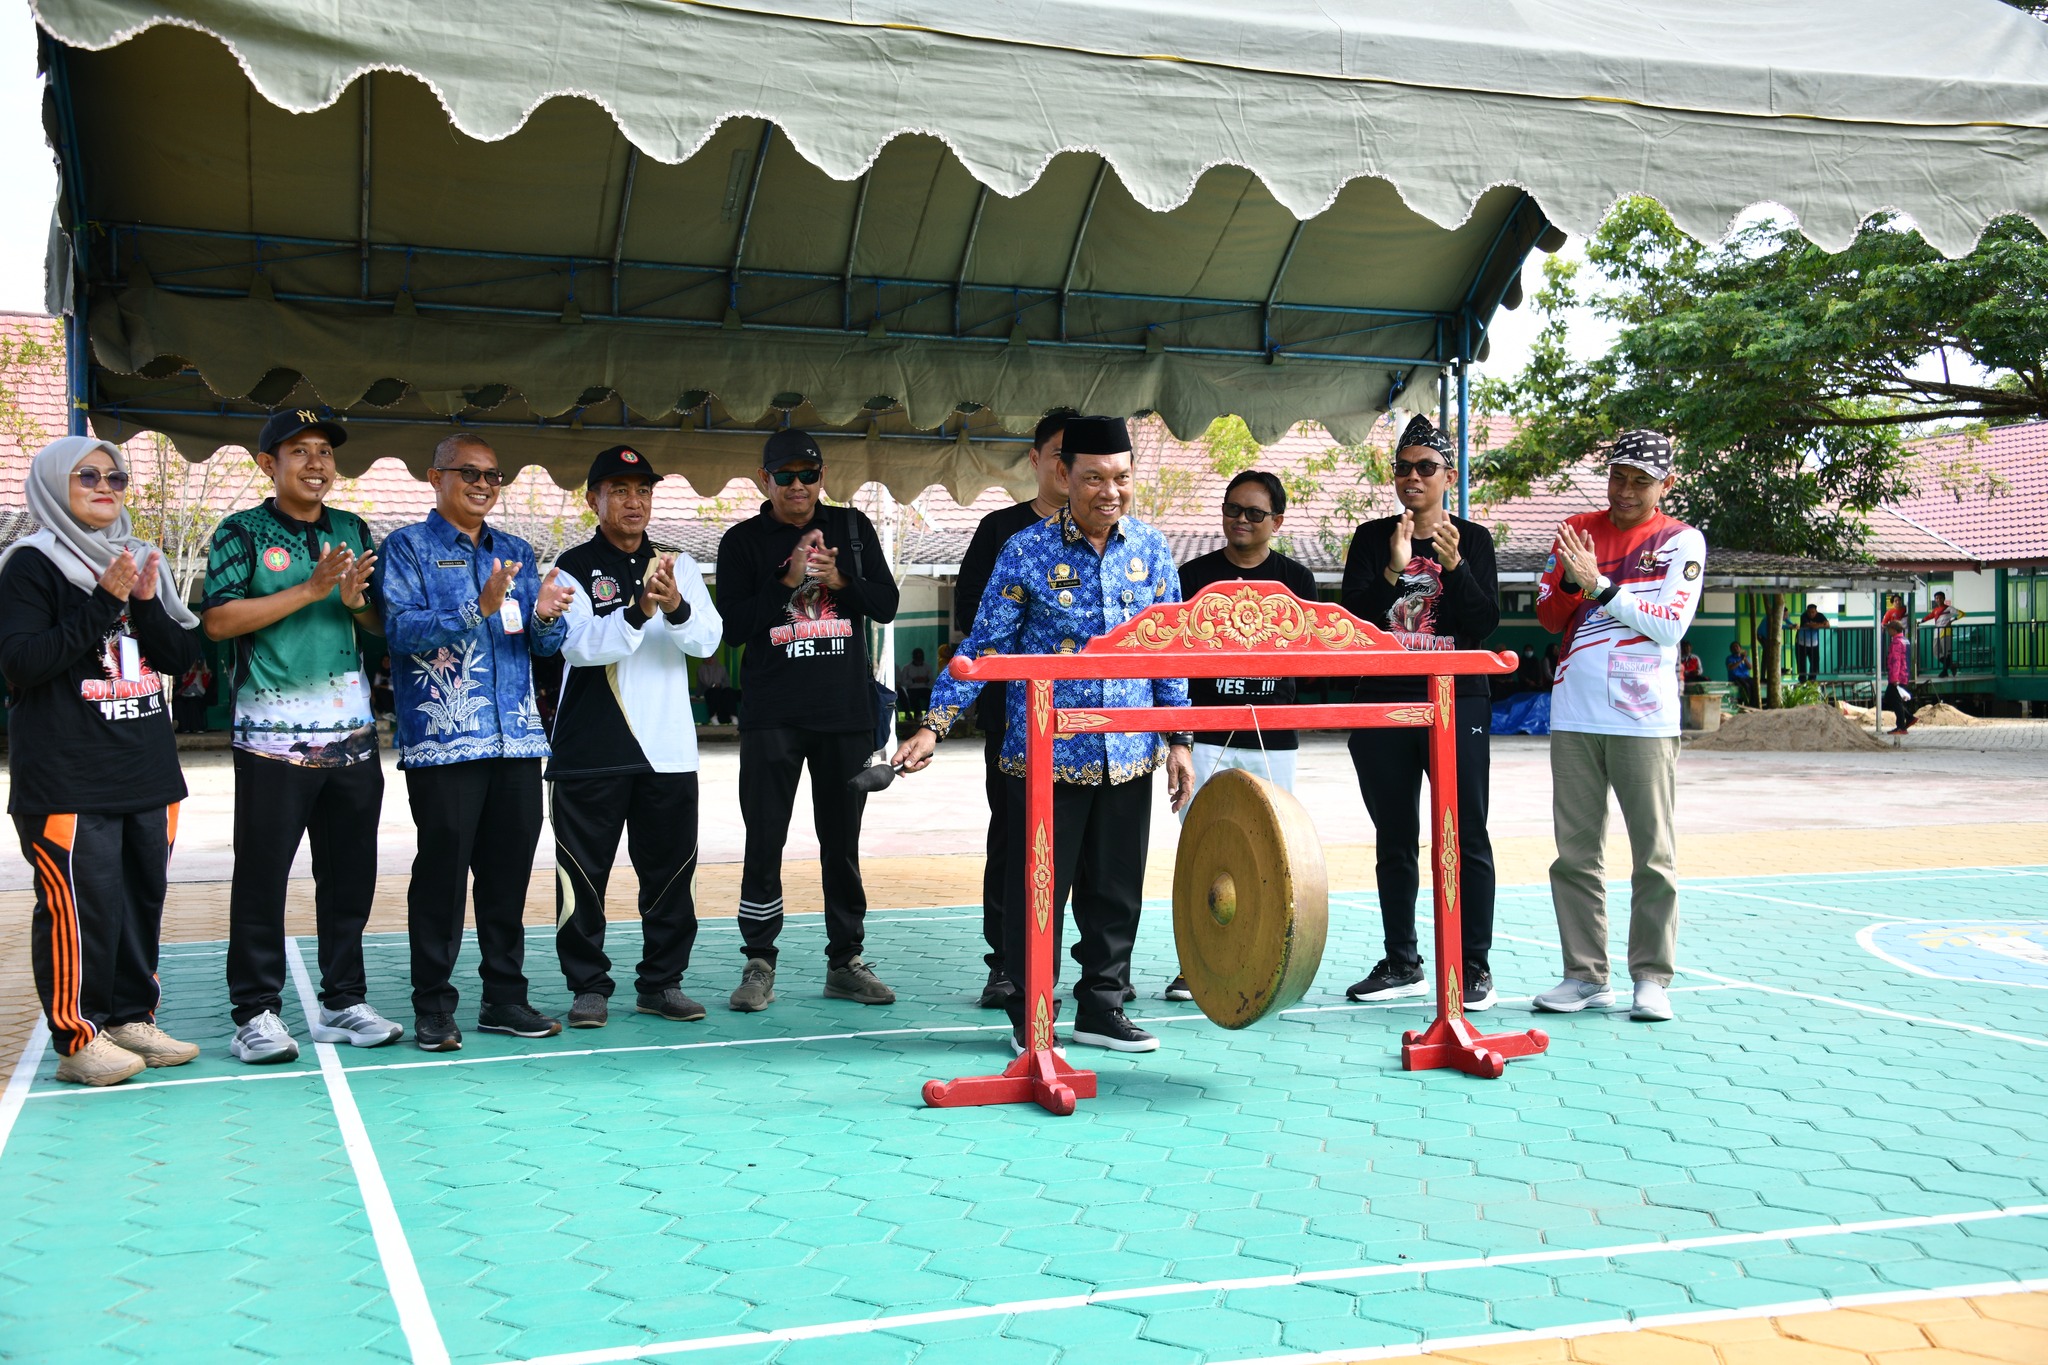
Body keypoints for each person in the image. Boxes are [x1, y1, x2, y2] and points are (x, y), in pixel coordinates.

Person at [894, 415, 1195, 1055]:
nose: (1109, 491)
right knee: (1038, 893)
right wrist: (933, 724)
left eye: (1121, 477)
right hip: (1046, 754)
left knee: (1116, 891)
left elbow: (1167, 654)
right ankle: (1030, 1014)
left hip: (1130, 749)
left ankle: (1101, 1008)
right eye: (1093, 478)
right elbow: (985, 648)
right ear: (1064, 474)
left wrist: (1179, 739)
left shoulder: (1152, 549)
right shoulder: (1026, 550)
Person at [200, 408, 402, 1065]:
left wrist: (351, 602)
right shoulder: (242, 532)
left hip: (350, 736)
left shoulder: (352, 529)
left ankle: (343, 1000)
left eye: (324, 451)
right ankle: (255, 1013)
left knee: (349, 876)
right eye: (299, 451)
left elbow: (376, 624)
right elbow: (220, 619)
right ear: (268, 464)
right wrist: (310, 588)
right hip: (271, 738)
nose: (317, 463)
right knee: (262, 876)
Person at [0, 437, 202, 1086]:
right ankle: (78, 1036)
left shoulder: (138, 557)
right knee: (76, 910)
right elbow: (22, 664)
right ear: (55, 484)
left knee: (138, 903)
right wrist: (104, 601)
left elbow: (175, 659)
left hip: (144, 769)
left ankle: (129, 1017)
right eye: (86, 475)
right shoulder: (28, 565)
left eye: (115, 474)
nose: (105, 484)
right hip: (66, 776)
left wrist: (142, 600)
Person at [377, 433, 575, 1051]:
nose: (484, 483)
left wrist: (544, 614)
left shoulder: (516, 550)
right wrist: (477, 606)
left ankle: (505, 998)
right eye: (469, 472)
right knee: (440, 877)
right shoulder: (406, 549)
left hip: (516, 740)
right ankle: (434, 1005)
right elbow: (400, 631)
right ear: (435, 478)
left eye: (493, 474)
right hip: (444, 741)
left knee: (507, 878)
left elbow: (542, 648)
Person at [715, 428, 901, 1012]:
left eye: (809, 475)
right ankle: (758, 962)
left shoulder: (852, 529)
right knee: (764, 836)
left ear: (822, 477)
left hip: (844, 716)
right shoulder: (743, 541)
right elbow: (732, 627)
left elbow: (887, 604)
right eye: (785, 476)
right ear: (764, 479)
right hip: (773, 716)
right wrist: (788, 581)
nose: (798, 486)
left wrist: (841, 580)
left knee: (841, 843)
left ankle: (845, 960)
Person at [547, 445, 725, 1028]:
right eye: (619, 490)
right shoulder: (569, 566)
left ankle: (662, 983)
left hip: (669, 749)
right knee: (582, 874)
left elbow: (706, 642)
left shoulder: (680, 565)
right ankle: (587, 988)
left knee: (671, 874)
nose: (633, 501)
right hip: (590, 747)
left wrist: (673, 607)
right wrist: (636, 612)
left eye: (643, 490)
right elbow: (575, 647)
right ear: (593, 498)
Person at [1535, 430, 1704, 1023]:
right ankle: (1584, 976)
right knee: (1575, 856)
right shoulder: (1578, 528)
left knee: (1653, 855)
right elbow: (1549, 617)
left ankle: (1652, 978)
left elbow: (1669, 625)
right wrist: (1568, 576)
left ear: (1666, 485)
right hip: (1575, 715)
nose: (1625, 490)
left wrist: (1600, 584)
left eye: (1640, 479)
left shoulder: (1682, 541)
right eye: (1617, 476)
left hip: (1645, 721)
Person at [1339, 416, 1503, 1009]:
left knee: (1466, 833)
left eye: (1425, 467)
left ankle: (1473, 965)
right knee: (1395, 836)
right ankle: (1402, 961)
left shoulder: (1474, 540)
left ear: (1447, 476)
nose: (1413, 477)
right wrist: (1392, 566)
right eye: (1403, 467)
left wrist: (1455, 568)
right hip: (1384, 701)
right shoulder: (1371, 537)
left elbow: (1483, 628)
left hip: (1459, 702)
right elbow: (1354, 622)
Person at [1162, 469, 1318, 1000]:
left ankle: (1266, 955)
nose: (1242, 521)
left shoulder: (1296, 581)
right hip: (1206, 733)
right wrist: (1176, 736)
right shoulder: (1194, 575)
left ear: (1277, 521)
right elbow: (1174, 658)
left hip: (1274, 736)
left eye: (1254, 513)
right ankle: (1197, 962)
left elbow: (1307, 653)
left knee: (1273, 850)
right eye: (1233, 509)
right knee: (1206, 847)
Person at [950, 410, 1072, 1009]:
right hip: (1017, 723)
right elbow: (975, 626)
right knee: (1016, 844)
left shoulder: (1126, 542)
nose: (1072, 466)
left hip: (1097, 730)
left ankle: (1095, 970)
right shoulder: (1001, 531)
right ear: (1038, 459)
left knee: (1089, 851)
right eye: (1059, 453)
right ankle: (1007, 966)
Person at [1884, 619, 1920, 734]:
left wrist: (1894, 678)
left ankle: (1901, 727)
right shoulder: (1905, 640)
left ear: (1894, 630)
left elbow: (1896, 661)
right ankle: (1909, 718)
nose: (1888, 631)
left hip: (1897, 677)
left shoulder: (1896, 642)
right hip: (1904, 674)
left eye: (1889, 629)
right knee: (1892, 698)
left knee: (1894, 700)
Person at [1921, 591, 1964, 677]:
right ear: (1935, 600)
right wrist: (1920, 622)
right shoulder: (1935, 610)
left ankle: (1945, 671)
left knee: (1946, 653)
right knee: (1936, 652)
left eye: (1940, 598)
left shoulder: (1949, 608)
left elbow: (1962, 614)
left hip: (1946, 633)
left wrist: (1952, 621)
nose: (1938, 600)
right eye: (1936, 598)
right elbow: (1929, 616)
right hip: (1936, 633)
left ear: (1944, 599)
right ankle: (1952, 665)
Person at [173, 657, 213, 733]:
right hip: (186, 694)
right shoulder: (188, 672)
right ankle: (183, 728)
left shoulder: (207, 673)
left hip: (198, 695)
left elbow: (205, 685)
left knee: (193, 704)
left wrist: (203, 672)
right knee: (179, 703)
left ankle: (196, 727)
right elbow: (186, 683)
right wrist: (193, 672)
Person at [695, 653, 737, 724]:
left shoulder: (721, 668)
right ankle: (713, 716)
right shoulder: (702, 669)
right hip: (708, 690)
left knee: (729, 692)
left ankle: (733, 716)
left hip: (721, 689)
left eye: (711, 658)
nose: (709, 660)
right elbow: (705, 682)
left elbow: (726, 681)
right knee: (714, 693)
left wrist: (720, 685)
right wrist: (714, 685)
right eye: (707, 658)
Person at [899, 648, 935, 719]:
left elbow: (932, 680)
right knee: (913, 697)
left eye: (920, 656)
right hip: (912, 689)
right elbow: (903, 682)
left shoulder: (928, 667)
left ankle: (928, 715)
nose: (919, 658)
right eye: (917, 656)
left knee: (932, 695)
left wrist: (926, 680)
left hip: (924, 688)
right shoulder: (907, 668)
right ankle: (918, 715)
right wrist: (913, 680)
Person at [1795, 605, 1827, 683]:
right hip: (1802, 643)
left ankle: (1812, 679)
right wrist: (1821, 625)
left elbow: (1828, 625)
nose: (1811, 614)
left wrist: (1816, 625)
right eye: (1809, 612)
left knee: (1815, 662)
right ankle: (1802, 679)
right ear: (1806, 611)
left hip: (1814, 643)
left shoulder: (1820, 615)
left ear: (1816, 611)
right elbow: (1809, 625)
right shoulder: (1803, 616)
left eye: (1813, 612)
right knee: (1801, 662)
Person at [1725, 641, 1755, 707]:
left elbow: (1750, 667)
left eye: (1737, 646)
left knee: (1754, 683)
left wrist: (1745, 659)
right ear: (1731, 650)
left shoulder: (1746, 657)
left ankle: (1754, 703)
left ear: (1740, 648)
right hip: (1736, 678)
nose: (1735, 648)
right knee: (1746, 686)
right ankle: (1747, 703)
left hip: (1746, 677)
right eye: (1733, 647)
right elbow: (1731, 667)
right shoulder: (1729, 658)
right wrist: (1741, 660)